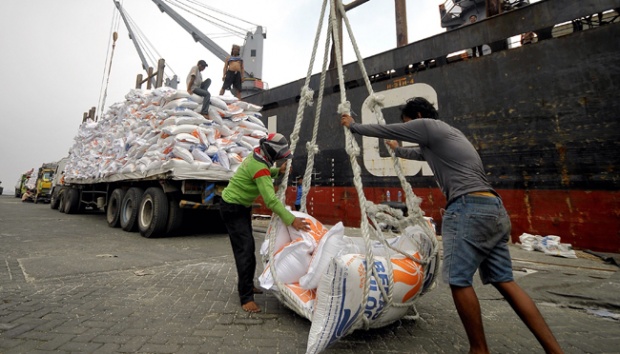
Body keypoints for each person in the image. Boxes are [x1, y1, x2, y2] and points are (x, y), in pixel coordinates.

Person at [340, 97, 563, 354]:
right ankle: (554, 350)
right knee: (506, 281)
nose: (409, 129)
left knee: (459, 280)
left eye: (409, 124)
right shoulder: (448, 136)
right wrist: (397, 149)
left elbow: (388, 130)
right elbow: (417, 153)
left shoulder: (428, 127)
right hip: (494, 208)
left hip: (468, 209)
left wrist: (354, 126)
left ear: (420, 116)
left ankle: (479, 350)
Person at [220, 133, 310, 313]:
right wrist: (292, 220)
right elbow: (271, 201)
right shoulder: (259, 166)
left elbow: (263, 172)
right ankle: (245, 297)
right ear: (271, 152)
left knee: (248, 247)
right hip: (233, 208)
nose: (280, 159)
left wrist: (278, 171)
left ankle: (247, 285)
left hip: (240, 207)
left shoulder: (257, 156)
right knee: (244, 250)